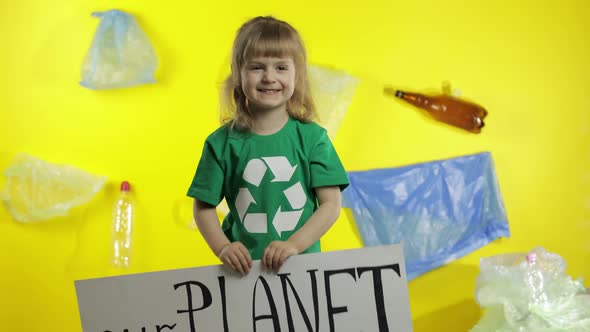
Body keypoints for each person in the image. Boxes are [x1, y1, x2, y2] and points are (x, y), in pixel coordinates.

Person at [187, 16, 348, 275]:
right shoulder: (220, 144)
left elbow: (330, 205)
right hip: (244, 275)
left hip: (303, 269)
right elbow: (203, 206)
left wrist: (294, 245)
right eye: (257, 67)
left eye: (281, 68)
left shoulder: (314, 139)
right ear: (238, 73)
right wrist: (223, 248)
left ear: (298, 74)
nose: (269, 77)